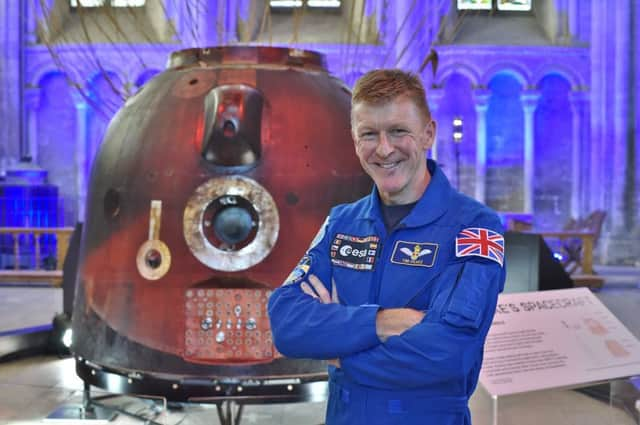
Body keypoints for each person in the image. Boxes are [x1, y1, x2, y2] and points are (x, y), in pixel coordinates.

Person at [268, 69, 506, 425]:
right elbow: (286, 323)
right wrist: (382, 322)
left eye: (398, 131)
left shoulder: (474, 228)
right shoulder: (342, 223)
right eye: (369, 134)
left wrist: (340, 352)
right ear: (354, 140)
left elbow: (450, 350)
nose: (383, 149)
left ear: (428, 134)